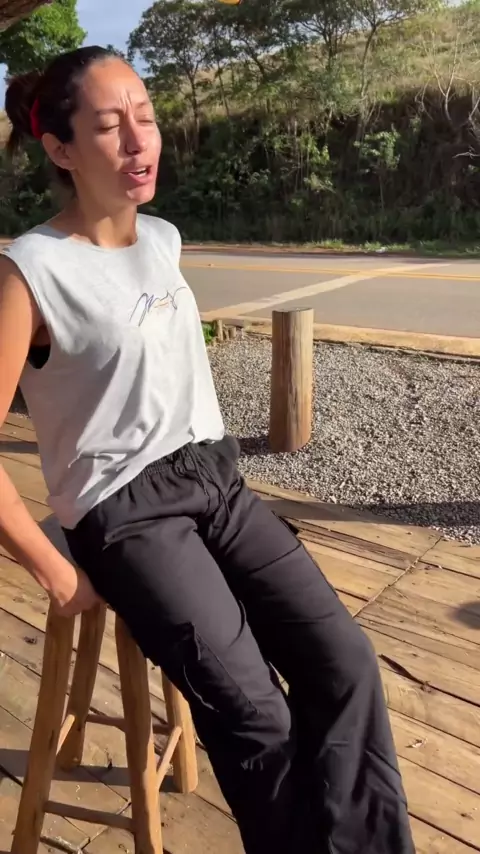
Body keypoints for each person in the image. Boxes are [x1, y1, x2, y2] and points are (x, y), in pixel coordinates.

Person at [0, 46, 415, 854]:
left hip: (216, 481)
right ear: (60, 148)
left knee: (346, 664)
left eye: (146, 118)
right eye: (110, 126)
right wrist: (54, 573)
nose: (139, 142)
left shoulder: (163, 238)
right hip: (128, 517)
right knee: (258, 718)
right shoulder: (30, 271)